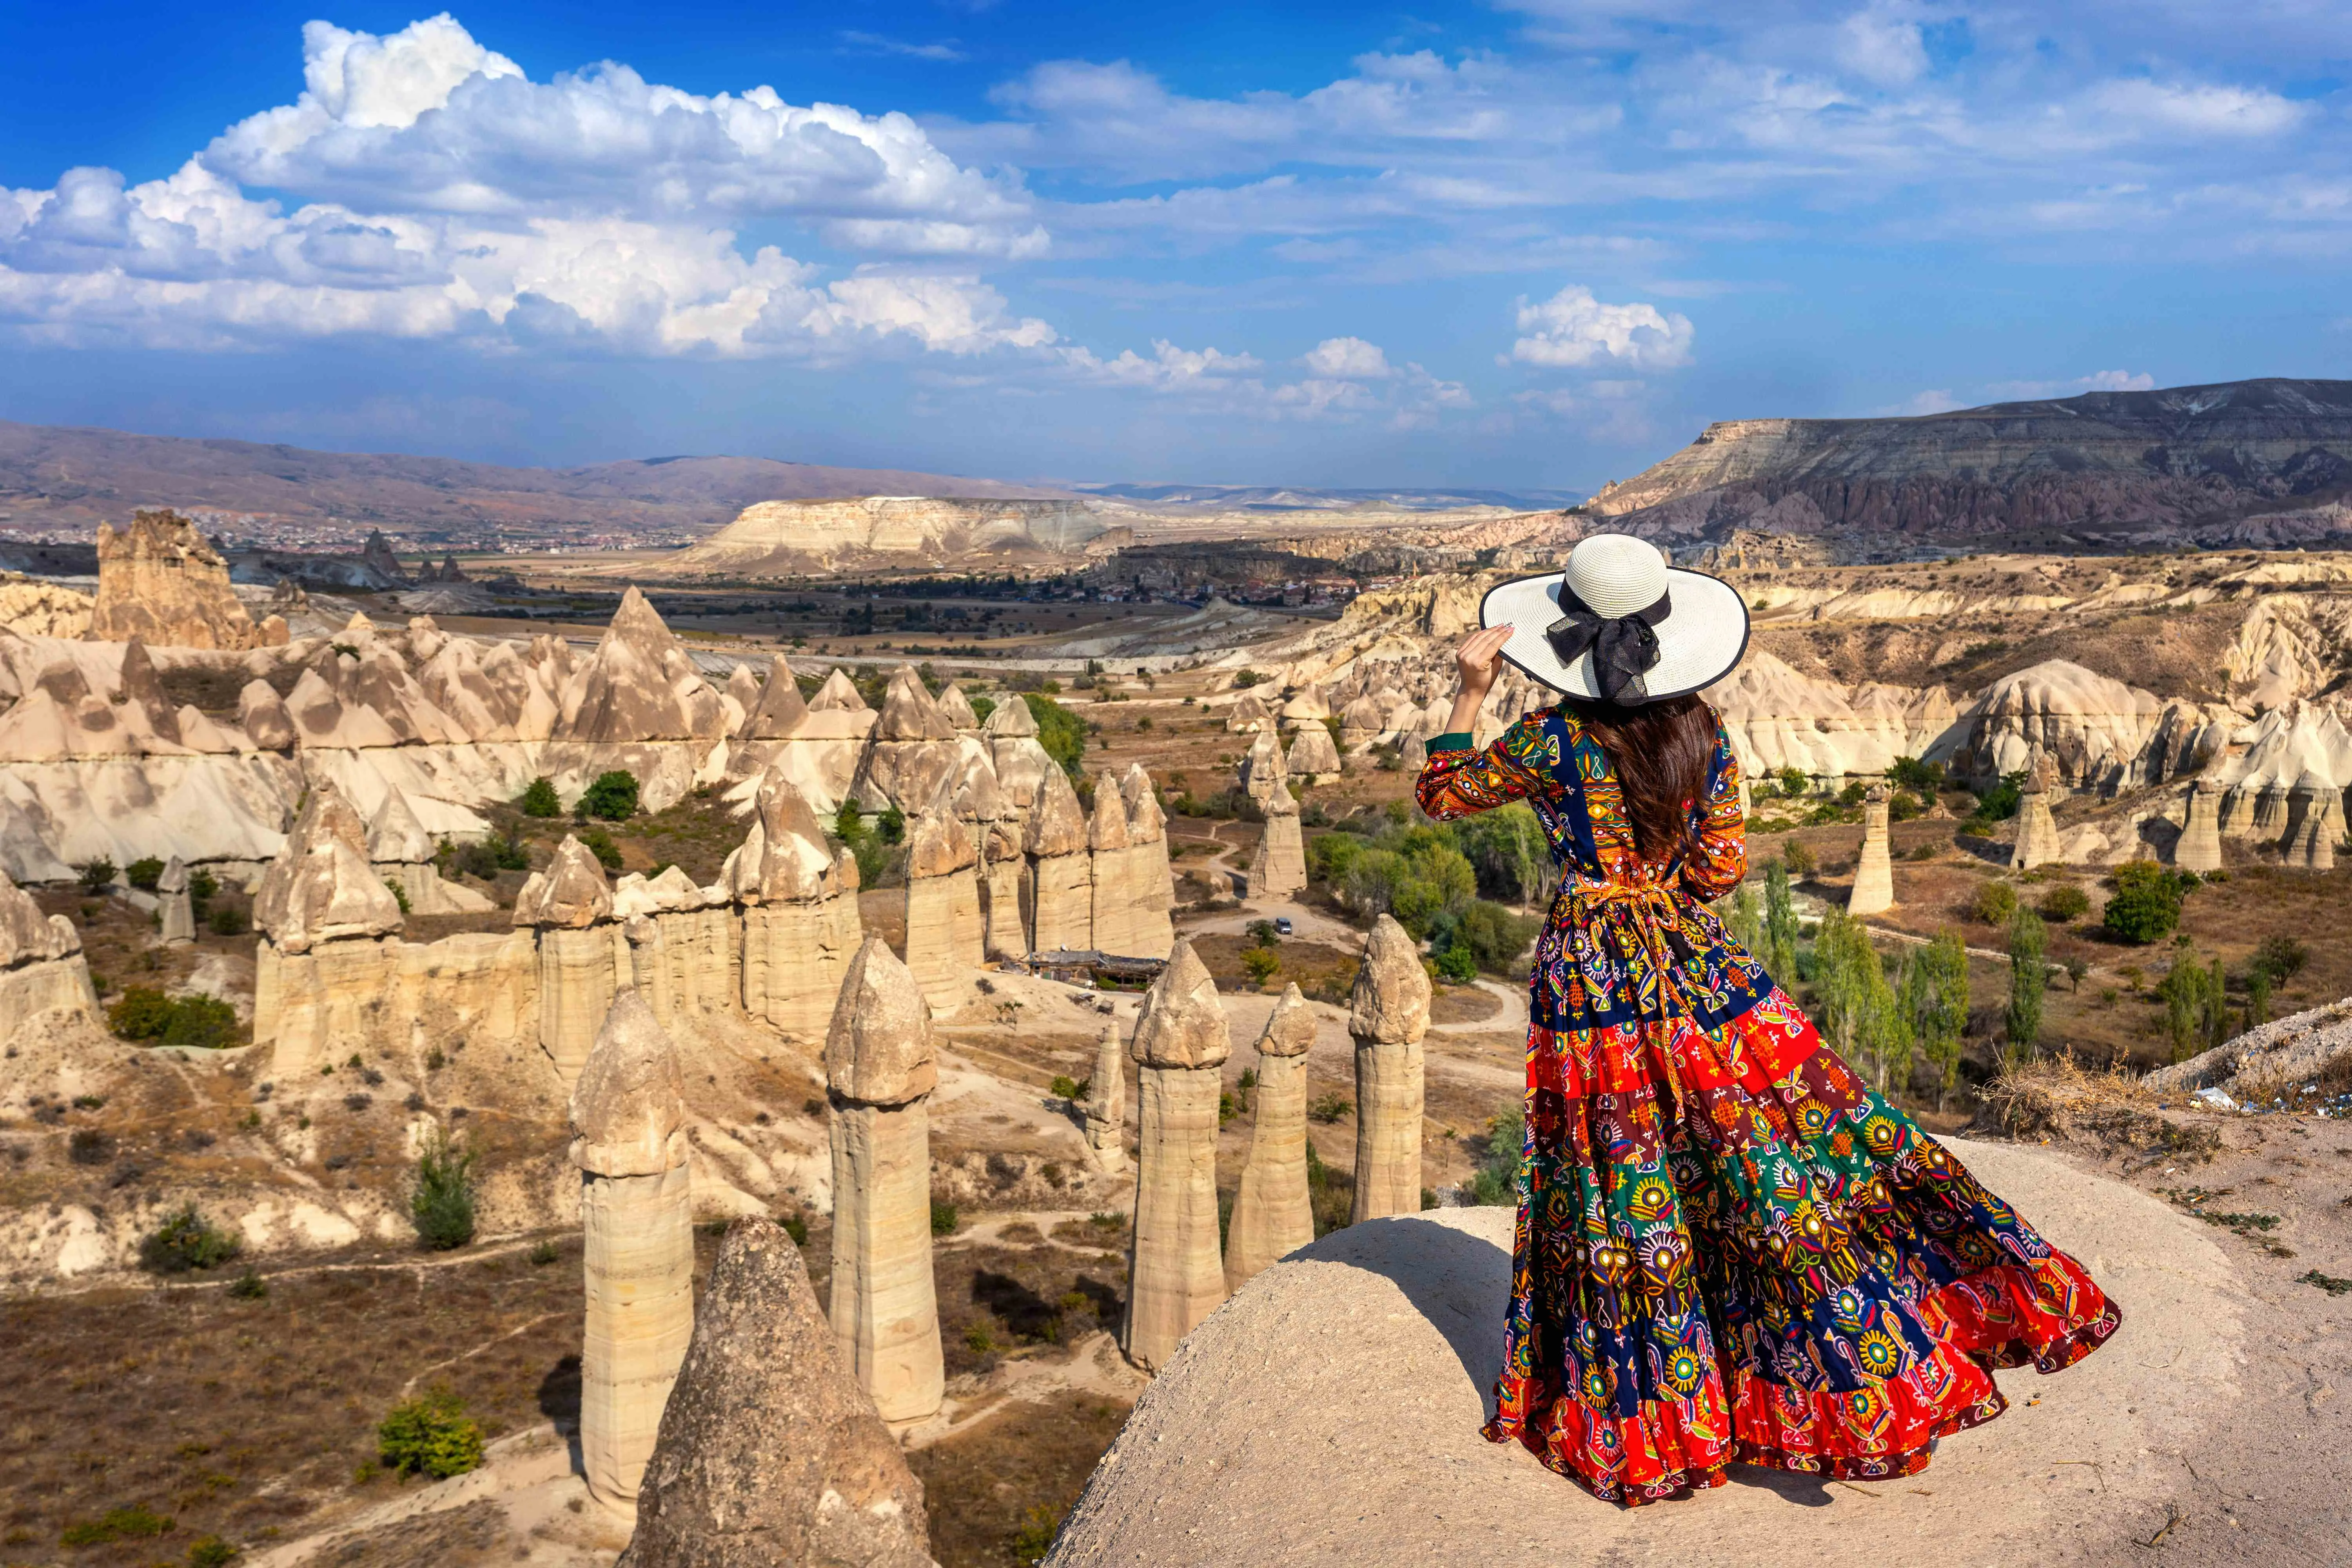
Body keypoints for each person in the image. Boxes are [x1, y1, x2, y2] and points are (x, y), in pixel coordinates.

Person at [1417, 534, 2118, 1506]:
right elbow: (1720, 870)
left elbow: (1441, 793)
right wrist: (1659, 876)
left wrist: (1466, 692)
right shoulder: (1704, 734)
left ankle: (1658, 1408)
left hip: (1591, 978)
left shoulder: (1550, 740)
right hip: (1698, 963)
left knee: (1621, 1174)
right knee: (1764, 1151)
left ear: (1565, 642)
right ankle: (1858, 1365)